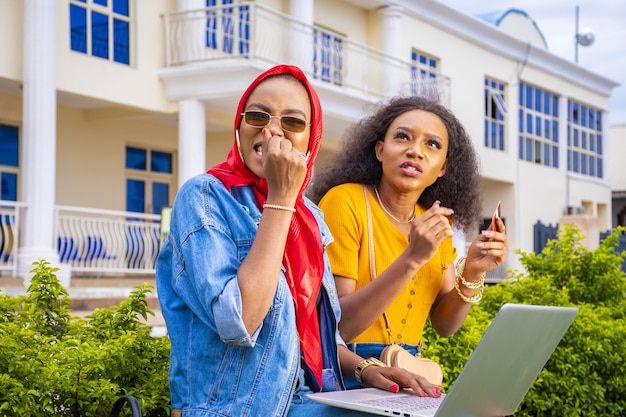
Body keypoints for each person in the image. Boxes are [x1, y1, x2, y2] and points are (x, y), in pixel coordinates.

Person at [156, 65, 442, 417]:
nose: (271, 129)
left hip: (308, 400)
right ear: (239, 125)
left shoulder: (309, 216)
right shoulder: (204, 197)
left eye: (291, 122)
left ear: (311, 139)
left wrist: (365, 369)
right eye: (257, 115)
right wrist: (281, 198)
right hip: (237, 409)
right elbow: (240, 322)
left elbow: (312, 335)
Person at [307, 96, 509, 389]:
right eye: (403, 137)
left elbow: (445, 325)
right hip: (350, 371)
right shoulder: (345, 201)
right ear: (380, 150)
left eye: (432, 144)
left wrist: (473, 273)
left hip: (411, 373)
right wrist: (412, 258)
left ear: (442, 167)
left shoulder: (436, 221)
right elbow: (341, 326)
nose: (415, 151)